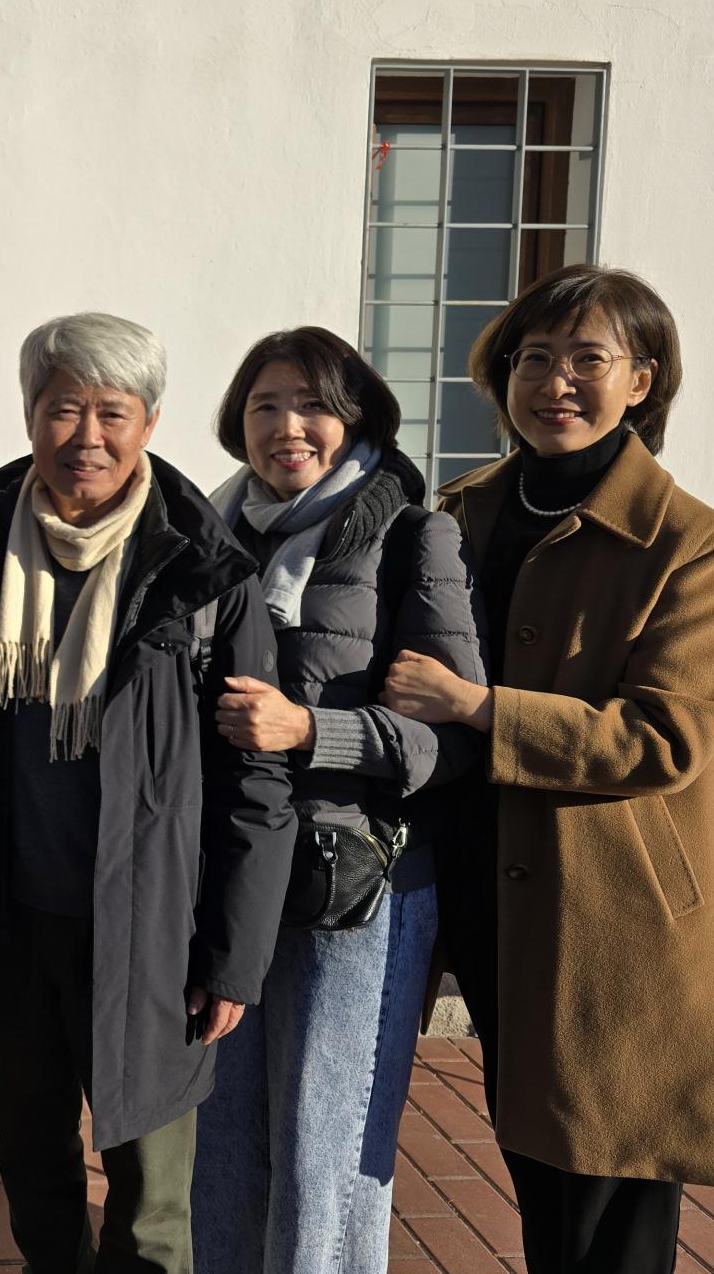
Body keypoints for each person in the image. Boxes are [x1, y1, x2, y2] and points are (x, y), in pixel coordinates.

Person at [0, 312, 295, 1274]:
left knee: (151, 1192)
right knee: (30, 1154)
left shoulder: (203, 570)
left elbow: (256, 780)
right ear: (29, 415)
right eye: (63, 409)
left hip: (152, 930)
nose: (87, 437)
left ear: (150, 423)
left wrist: (234, 958)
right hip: (17, 918)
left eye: (112, 413)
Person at [379, 264, 714, 1273]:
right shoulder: (463, 512)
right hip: (491, 899)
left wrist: (479, 708)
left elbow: (661, 739)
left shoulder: (692, 545)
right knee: (543, 1182)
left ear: (643, 380)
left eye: (589, 359)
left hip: (614, 916)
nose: (556, 383)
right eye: (534, 359)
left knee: (612, 1204)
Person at [188, 328, 484, 1274]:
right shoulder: (211, 532)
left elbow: (455, 740)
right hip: (231, 879)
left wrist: (310, 730)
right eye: (266, 405)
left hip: (353, 889)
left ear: (356, 419)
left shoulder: (410, 535)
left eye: (313, 404)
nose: (289, 426)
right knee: (222, 1154)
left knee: (324, 1159)